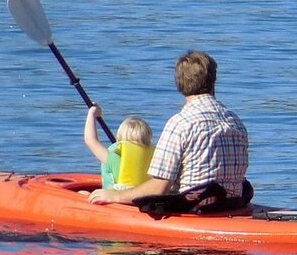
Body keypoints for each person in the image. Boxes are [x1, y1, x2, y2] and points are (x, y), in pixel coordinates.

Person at [88, 50, 250, 206]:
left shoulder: (180, 124)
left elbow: (159, 187)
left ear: (179, 84)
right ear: (213, 80)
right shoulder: (235, 121)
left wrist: (116, 196)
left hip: (194, 208)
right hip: (233, 205)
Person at [83, 105, 154, 191]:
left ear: (119, 138)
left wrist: (92, 113)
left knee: (82, 192)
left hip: (115, 199)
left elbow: (90, 140)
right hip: (142, 198)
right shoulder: (154, 156)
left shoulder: (113, 157)